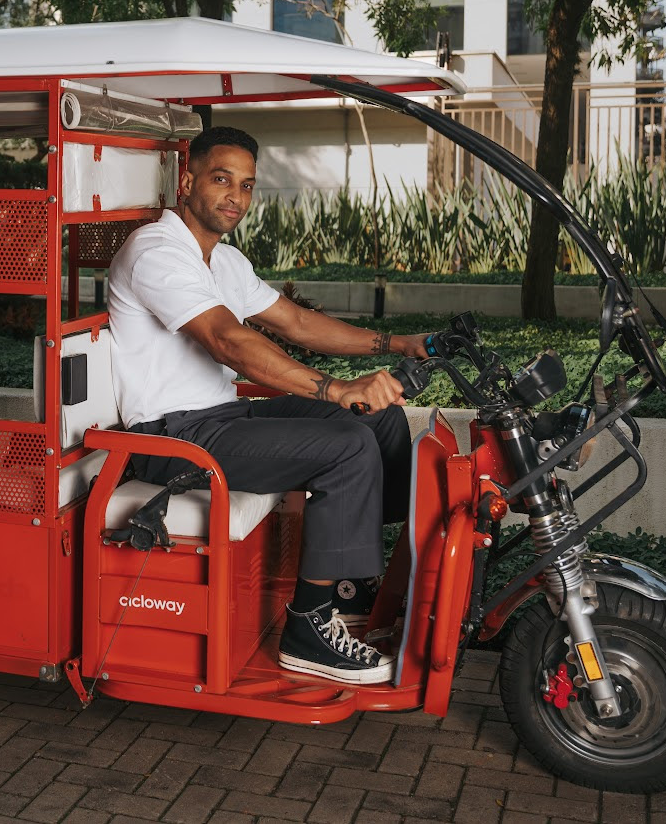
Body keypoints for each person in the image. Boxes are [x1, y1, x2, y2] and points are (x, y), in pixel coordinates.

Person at [106, 125, 431, 685]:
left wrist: (397, 345)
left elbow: (298, 323)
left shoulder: (223, 261)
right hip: (170, 439)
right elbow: (230, 341)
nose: (236, 196)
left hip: (222, 418)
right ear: (187, 181)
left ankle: (351, 581)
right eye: (221, 179)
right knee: (347, 446)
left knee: (378, 420)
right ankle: (308, 630)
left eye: (248, 185)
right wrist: (334, 388)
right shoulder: (156, 252)